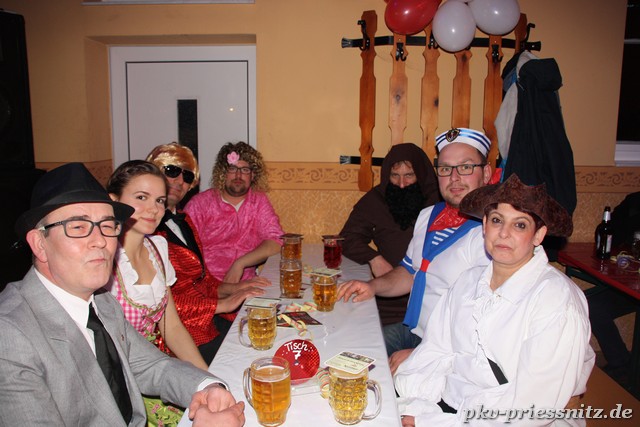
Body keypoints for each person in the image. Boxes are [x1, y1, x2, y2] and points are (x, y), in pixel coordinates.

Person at [0, 162, 244, 426]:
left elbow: (151, 366)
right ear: (39, 243)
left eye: (107, 225)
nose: (100, 241)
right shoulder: (10, 336)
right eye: (78, 227)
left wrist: (209, 387)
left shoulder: (101, 302)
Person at [395, 174, 595, 426]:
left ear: (538, 235)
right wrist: (415, 407)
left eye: (520, 225)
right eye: (497, 220)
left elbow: (532, 408)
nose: (503, 233)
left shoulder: (556, 300)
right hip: (450, 409)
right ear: (484, 226)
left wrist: (433, 422)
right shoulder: (467, 282)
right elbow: (435, 352)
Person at [337, 128, 494, 372]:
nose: (454, 177)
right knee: (342, 353)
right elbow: (409, 272)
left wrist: (424, 354)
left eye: (465, 167)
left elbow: (493, 323)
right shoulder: (429, 215)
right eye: (445, 169)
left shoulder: (495, 232)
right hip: (413, 330)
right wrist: (372, 286)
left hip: (452, 351)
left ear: (486, 173)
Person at [147, 142, 268, 363]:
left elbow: (201, 281)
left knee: (263, 339)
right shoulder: (146, 231)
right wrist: (223, 304)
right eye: (171, 171)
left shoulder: (184, 222)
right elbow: (160, 304)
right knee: (248, 357)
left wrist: (237, 288)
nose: (179, 181)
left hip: (205, 319)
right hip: (177, 336)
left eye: (187, 175)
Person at [107, 160, 208, 372]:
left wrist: (207, 377)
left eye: (160, 200)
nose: (154, 209)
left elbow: (172, 327)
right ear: (114, 201)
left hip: (154, 367)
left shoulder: (157, 248)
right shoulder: (104, 261)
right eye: (141, 197)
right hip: (120, 375)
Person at [340, 143, 440, 325]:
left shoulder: (440, 201)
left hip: (433, 304)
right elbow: (347, 237)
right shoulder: (378, 198)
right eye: (395, 175)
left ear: (421, 174)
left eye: (409, 175)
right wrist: (374, 258)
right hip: (389, 300)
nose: (401, 184)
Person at [184, 141, 284, 284]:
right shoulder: (200, 204)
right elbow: (183, 251)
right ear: (223, 173)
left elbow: (276, 241)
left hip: (246, 284)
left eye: (245, 170)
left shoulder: (258, 201)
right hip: (205, 285)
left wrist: (240, 264)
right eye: (232, 169)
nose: (238, 175)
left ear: (253, 175)